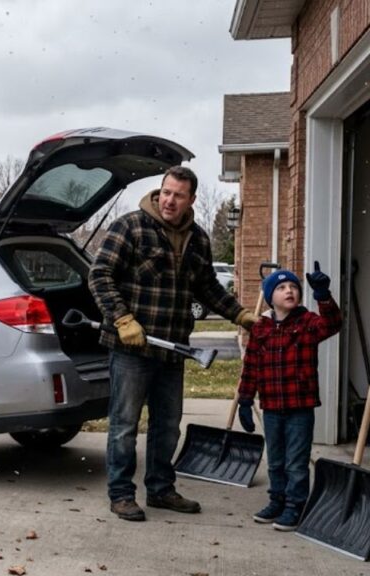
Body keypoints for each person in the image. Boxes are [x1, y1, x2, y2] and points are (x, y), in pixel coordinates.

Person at [88, 165, 258, 522]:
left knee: (168, 425)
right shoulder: (131, 226)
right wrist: (121, 318)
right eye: (166, 192)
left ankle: (161, 489)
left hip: (173, 348)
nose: (169, 200)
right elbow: (100, 274)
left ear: (190, 199)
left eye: (178, 195)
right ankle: (120, 494)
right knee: (124, 424)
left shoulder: (198, 239)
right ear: (158, 191)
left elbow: (208, 287)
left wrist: (241, 315)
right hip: (131, 348)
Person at [237, 263, 341, 531]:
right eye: (281, 287)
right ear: (270, 296)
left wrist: (323, 296)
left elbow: (332, 324)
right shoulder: (261, 329)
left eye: (294, 287)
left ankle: (295, 505)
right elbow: (251, 367)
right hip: (271, 406)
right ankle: (277, 500)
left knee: (296, 461)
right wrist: (246, 400)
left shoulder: (307, 323)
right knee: (276, 459)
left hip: (300, 407)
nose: (289, 291)